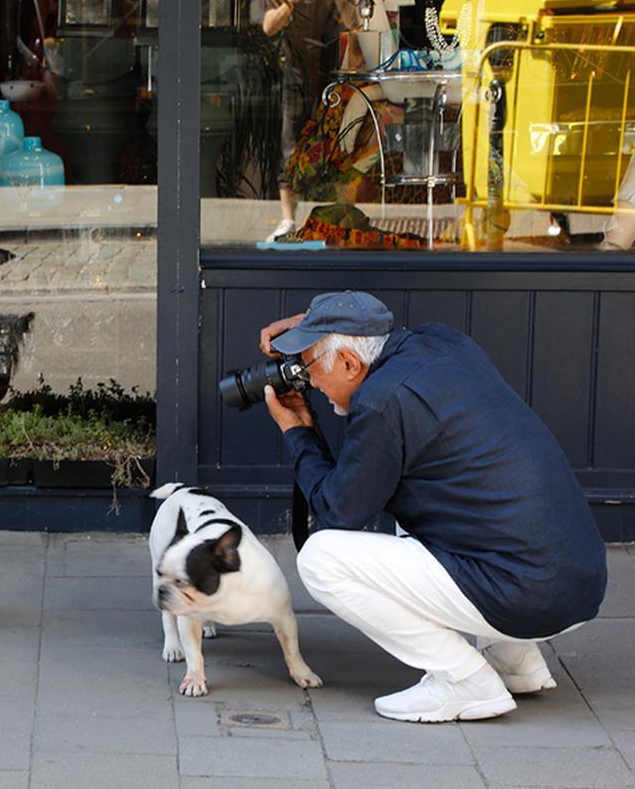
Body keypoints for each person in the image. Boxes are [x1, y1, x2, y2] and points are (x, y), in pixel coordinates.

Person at [256, 290, 607, 723]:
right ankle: (516, 662)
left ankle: (465, 682)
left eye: (309, 367)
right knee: (438, 503)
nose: (308, 382)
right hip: (578, 581)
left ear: (349, 362)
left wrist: (298, 430)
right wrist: (312, 325)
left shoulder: (383, 401)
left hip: (526, 596)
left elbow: (339, 512)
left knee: (321, 560)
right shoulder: (445, 342)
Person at [261, 0, 358, 240]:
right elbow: (269, 27)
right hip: (296, 77)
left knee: (335, 147)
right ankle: (289, 221)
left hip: (331, 76)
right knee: (290, 148)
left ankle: (336, 219)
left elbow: (355, 22)